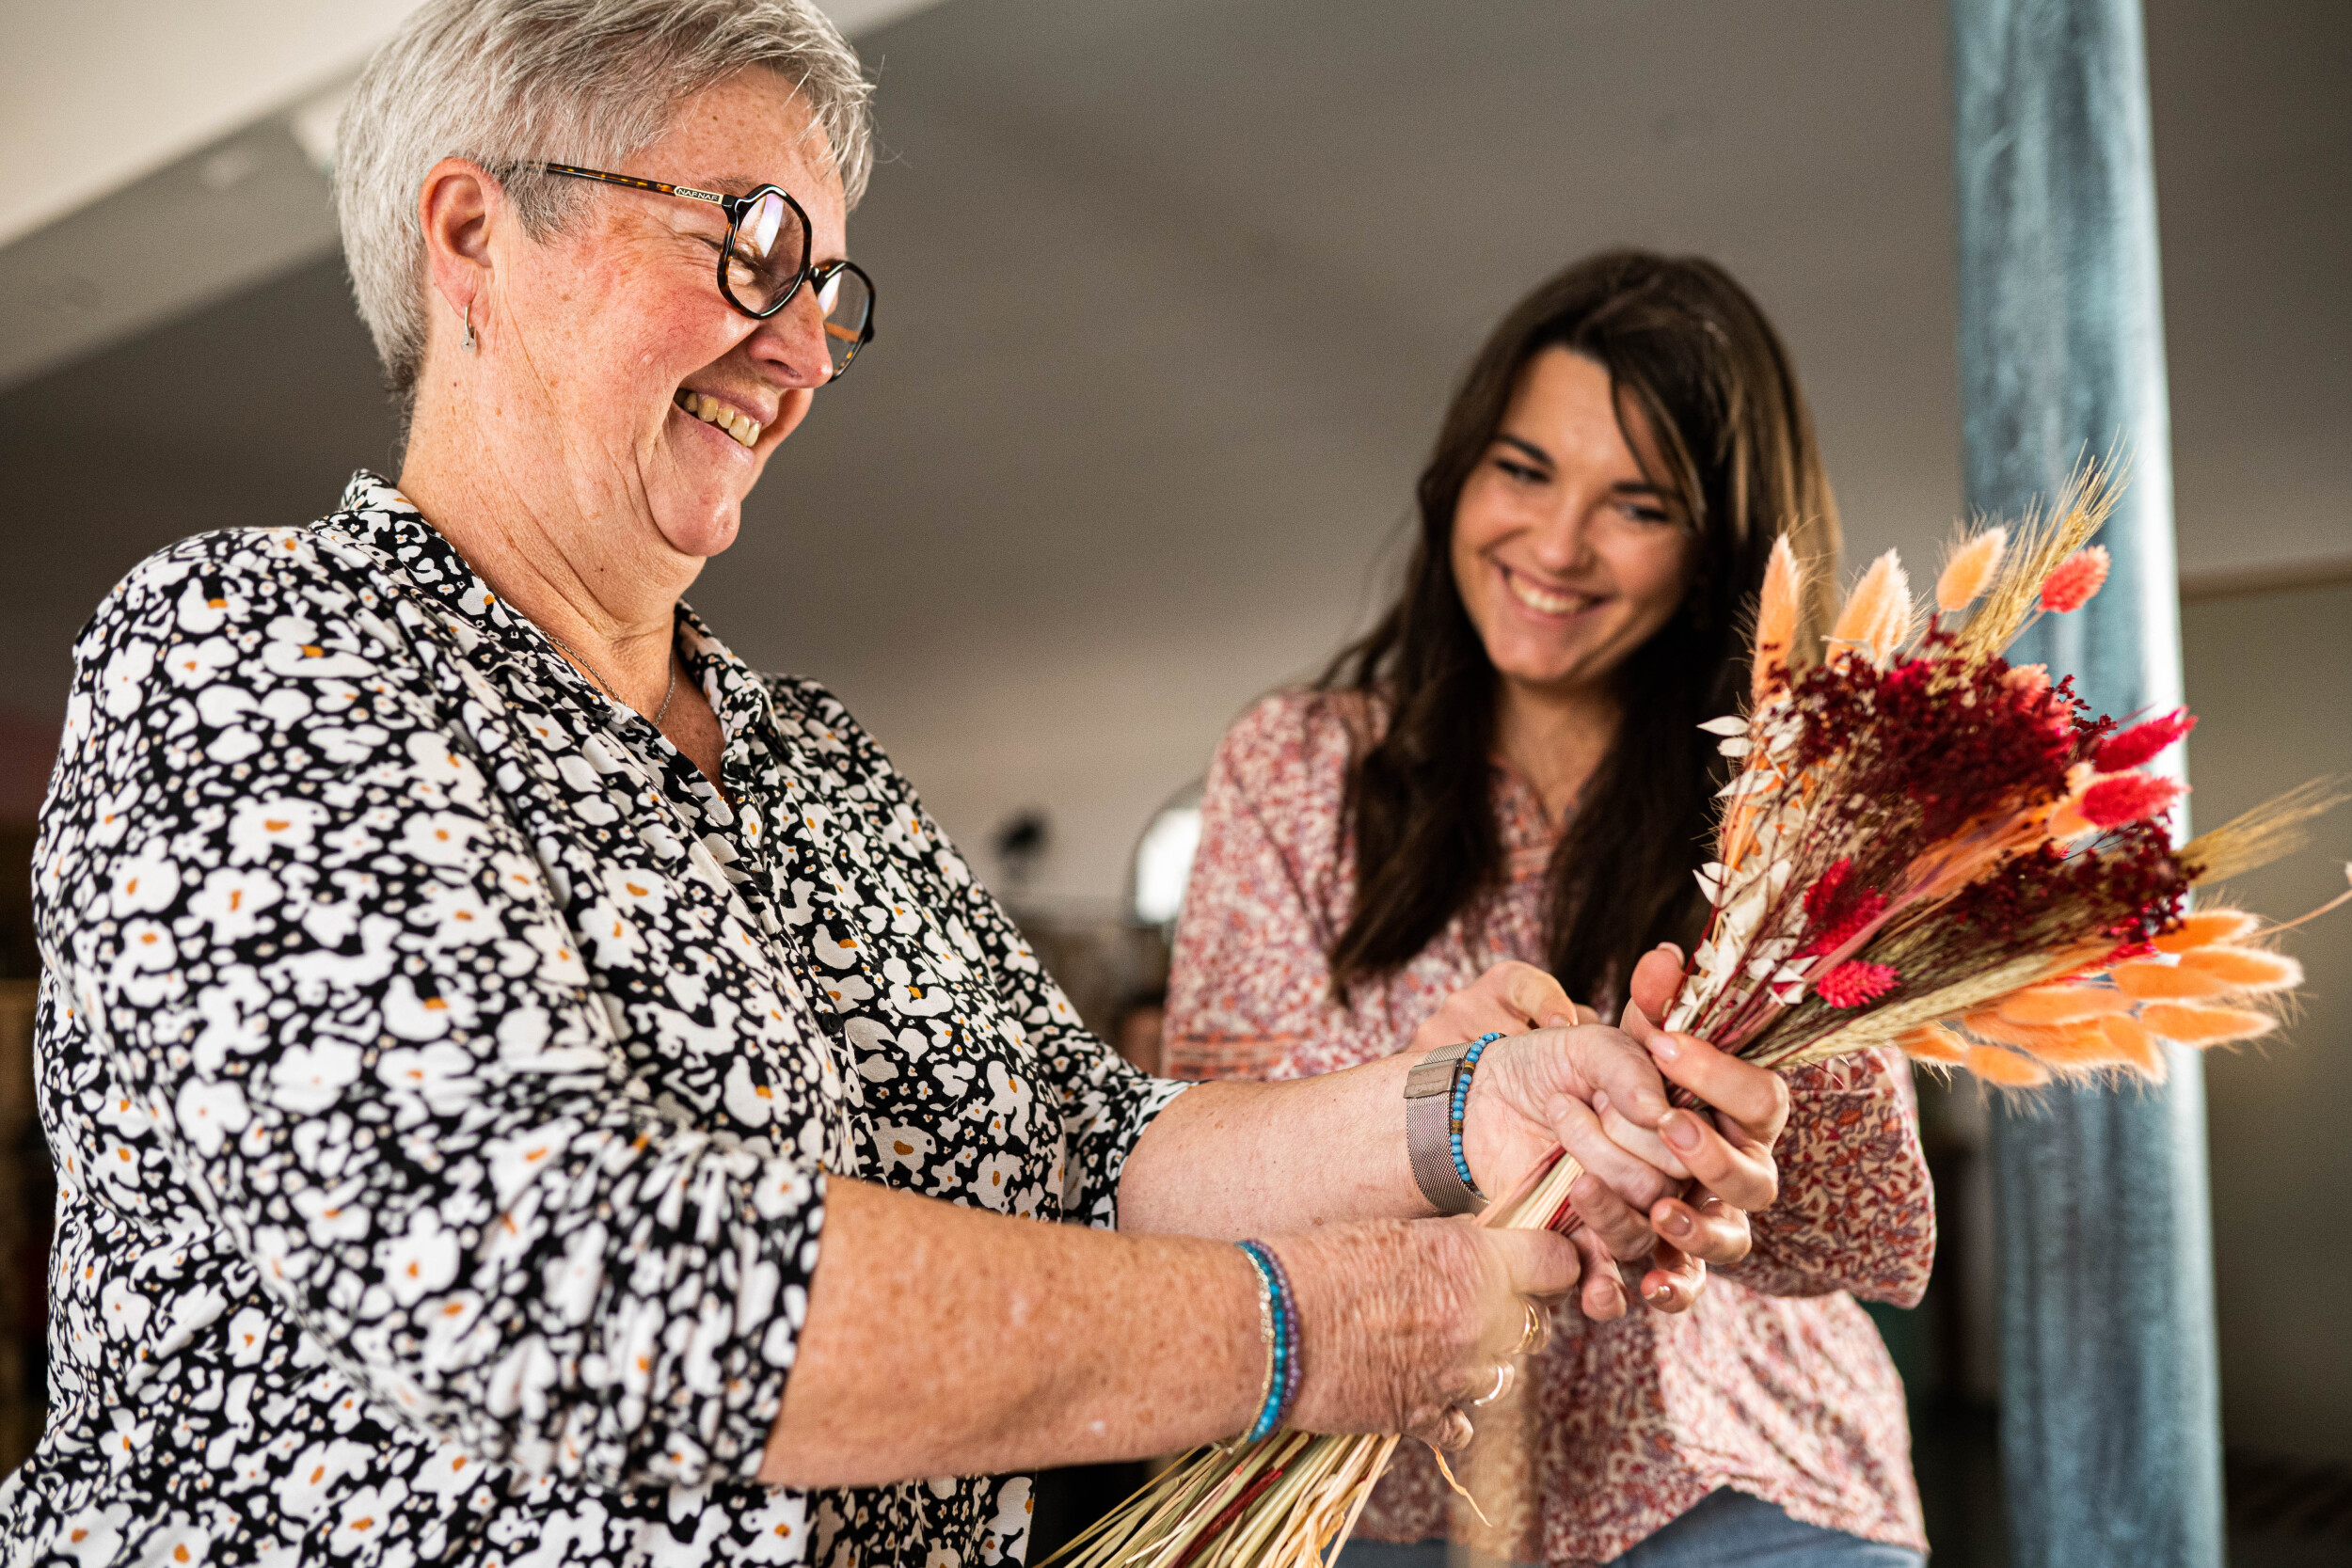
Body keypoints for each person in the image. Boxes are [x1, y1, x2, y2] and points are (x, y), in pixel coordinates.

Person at [0, 8, 1800, 1568]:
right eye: (747, 242)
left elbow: (1093, 1155)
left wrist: (1468, 1109)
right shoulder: (257, 651)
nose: (801, 350)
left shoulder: (811, 761)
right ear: (476, 232)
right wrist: (1321, 1324)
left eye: (826, 290)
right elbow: (561, 1285)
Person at [1168, 252, 1937, 1566]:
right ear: (1458, 476)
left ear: (1714, 554)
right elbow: (1189, 1161)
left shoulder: (1796, 797)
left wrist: (1713, 1188)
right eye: (1523, 472)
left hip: (1734, 1465)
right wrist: (1430, 1106)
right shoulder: (1294, 768)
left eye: (1636, 504)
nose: (1558, 546)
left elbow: (1875, 1229)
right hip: (1377, 1478)